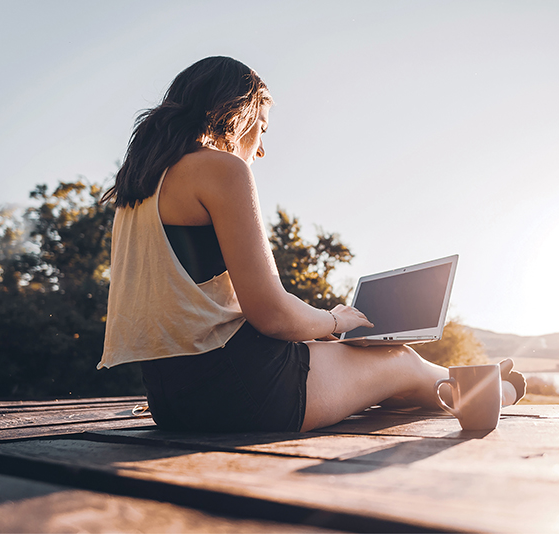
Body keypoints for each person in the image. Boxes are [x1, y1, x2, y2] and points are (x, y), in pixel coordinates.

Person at [98, 56, 524, 433]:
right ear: (237, 116)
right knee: (400, 360)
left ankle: (471, 380)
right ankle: (493, 391)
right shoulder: (219, 169)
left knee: (377, 372)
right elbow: (272, 315)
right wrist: (335, 321)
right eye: (260, 129)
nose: (261, 149)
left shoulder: (139, 190)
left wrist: (319, 336)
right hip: (244, 392)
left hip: (170, 400)